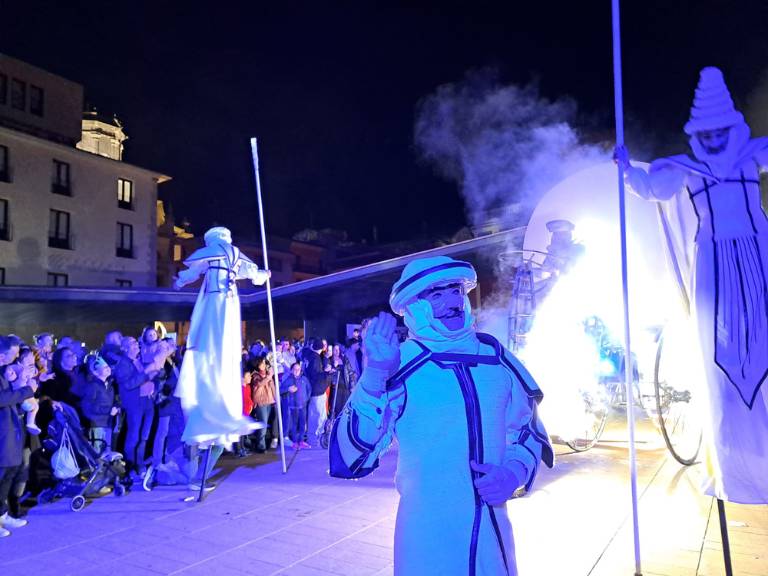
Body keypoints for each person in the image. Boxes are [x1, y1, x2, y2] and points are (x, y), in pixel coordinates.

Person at [329, 256, 554, 576]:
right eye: (436, 294)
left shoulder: (496, 358)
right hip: (428, 540)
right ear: (412, 307)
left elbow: (528, 430)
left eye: (455, 291)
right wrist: (375, 376)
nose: (452, 302)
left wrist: (513, 473)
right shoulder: (399, 363)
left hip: (493, 538)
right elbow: (349, 458)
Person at [619, 67, 768, 504]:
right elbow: (651, 189)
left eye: (723, 130)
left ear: (734, 128)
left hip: (758, 263)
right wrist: (626, 169)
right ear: (697, 133)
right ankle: (735, 464)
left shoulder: (751, 158)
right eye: (709, 132)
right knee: (718, 361)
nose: (717, 139)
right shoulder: (685, 170)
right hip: (716, 272)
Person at [173, 227, 269, 489]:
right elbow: (253, 273)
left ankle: (197, 474)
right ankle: (197, 474)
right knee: (219, 337)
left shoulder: (214, 253)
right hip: (226, 308)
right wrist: (263, 276)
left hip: (217, 308)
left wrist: (180, 281)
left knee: (212, 335)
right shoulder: (234, 255)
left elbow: (192, 272)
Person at [0, 335, 33, 537]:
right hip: (2, 434)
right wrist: (27, 390)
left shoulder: (4, 371)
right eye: (15, 353)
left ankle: (2, 515)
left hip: (9, 431)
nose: (18, 356)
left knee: (9, 472)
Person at [79, 355, 119, 454]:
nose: (108, 369)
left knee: (106, 449)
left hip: (108, 422)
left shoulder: (110, 386)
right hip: (97, 423)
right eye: (105, 368)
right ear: (96, 372)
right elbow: (87, 406)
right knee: (97, 450)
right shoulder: (92, 386)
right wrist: (108, 410)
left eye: (108, 367)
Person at [281, 362, 311, 449]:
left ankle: (301, 441)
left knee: (302, 424)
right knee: (294, 425)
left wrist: (306, 399)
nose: (297, 371)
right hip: (293, 406)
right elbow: (280, 390)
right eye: (295, 369)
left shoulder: (304, 379)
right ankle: (294, 442)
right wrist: (288, 389)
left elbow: (309, 389)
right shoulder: (288, 380)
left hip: (303, 405)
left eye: (298, 369)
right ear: (291, 370)